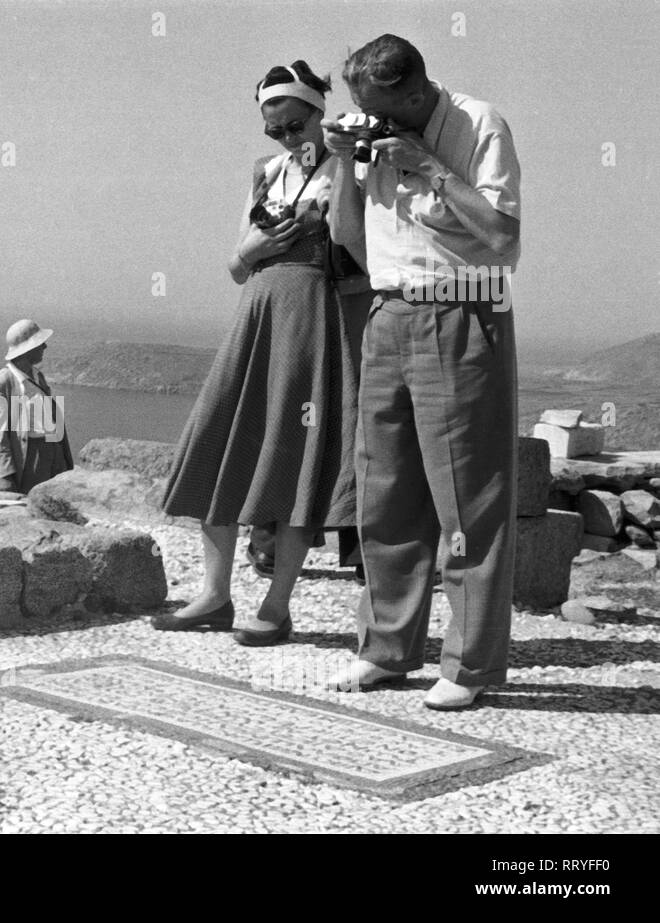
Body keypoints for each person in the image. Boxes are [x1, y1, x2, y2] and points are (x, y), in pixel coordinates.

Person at [322, 35, 521, 710]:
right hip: (387, 312)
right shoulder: (376, 136)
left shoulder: (477, 124)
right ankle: (386, 647)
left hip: (461, 310)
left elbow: (502, 238)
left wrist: (429, 167)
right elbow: (350, 238)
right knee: (384, 496)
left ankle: (469, 666)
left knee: (468, 504)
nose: (369, 119)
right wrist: (340, 164)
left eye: (378, 108)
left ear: (414, 93)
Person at [157, 61, 372, 645]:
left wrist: (346, 169)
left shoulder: (344, 167)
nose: (286, 139)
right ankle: (214, 594)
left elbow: (355, 245)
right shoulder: (266, 173)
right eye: (273, 130)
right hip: (256, 309)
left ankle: (277, 606)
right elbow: (235, 266)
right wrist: (251, 247)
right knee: (219, 436)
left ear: (317, 115)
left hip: (313, 316)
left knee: (293, 453)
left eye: (294, 125)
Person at [0, 318, 74, 493]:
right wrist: (5, 476)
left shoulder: (37, 377)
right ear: (27, 349)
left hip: (52, 456)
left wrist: (63, 460)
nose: (44, 347)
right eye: (40, 343)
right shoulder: (0, 384)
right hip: (28, 461)